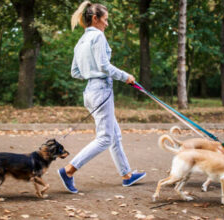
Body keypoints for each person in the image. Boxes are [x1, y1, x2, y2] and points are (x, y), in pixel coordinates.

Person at [58, 1, 146, 193]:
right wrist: (126, 77)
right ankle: (69, 170)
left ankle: (127, 175)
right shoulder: (98, 37)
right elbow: (105, 66)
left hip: (90, 92)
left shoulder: (80, 41)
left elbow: (75, 72)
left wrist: (90, 73)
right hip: (101, 91)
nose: (107, 24)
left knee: (114, 135)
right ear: (95, 19)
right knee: (105, 138)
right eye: (105, 20)